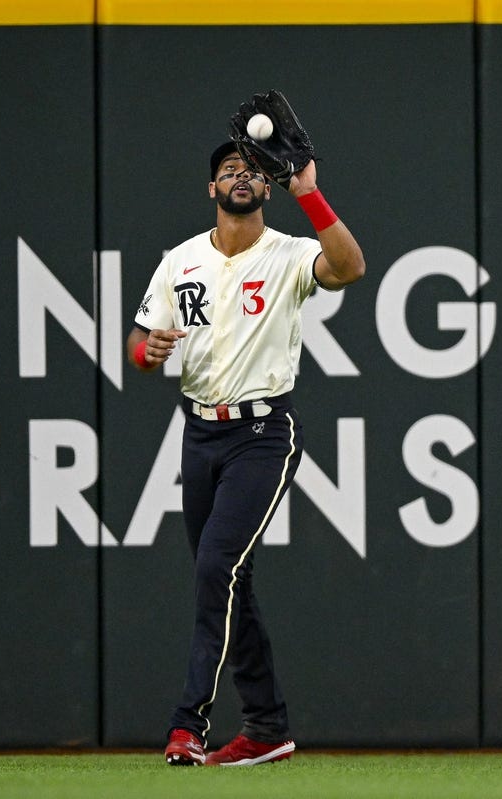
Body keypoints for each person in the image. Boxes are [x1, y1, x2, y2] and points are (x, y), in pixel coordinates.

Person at [127, 140, 364, 766]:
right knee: (229, 580)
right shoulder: (181, 261)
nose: (240, 175)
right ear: (211, 189)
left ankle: (188, 723)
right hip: (199, 431)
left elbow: (351, 268)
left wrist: (307, 192)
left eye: (253, 171)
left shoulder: (288, 254)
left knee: (215, 570)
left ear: (266, 188)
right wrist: (144, 352)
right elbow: (141, 338)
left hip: (262, 434)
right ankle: (265, 728)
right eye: (229, 169)